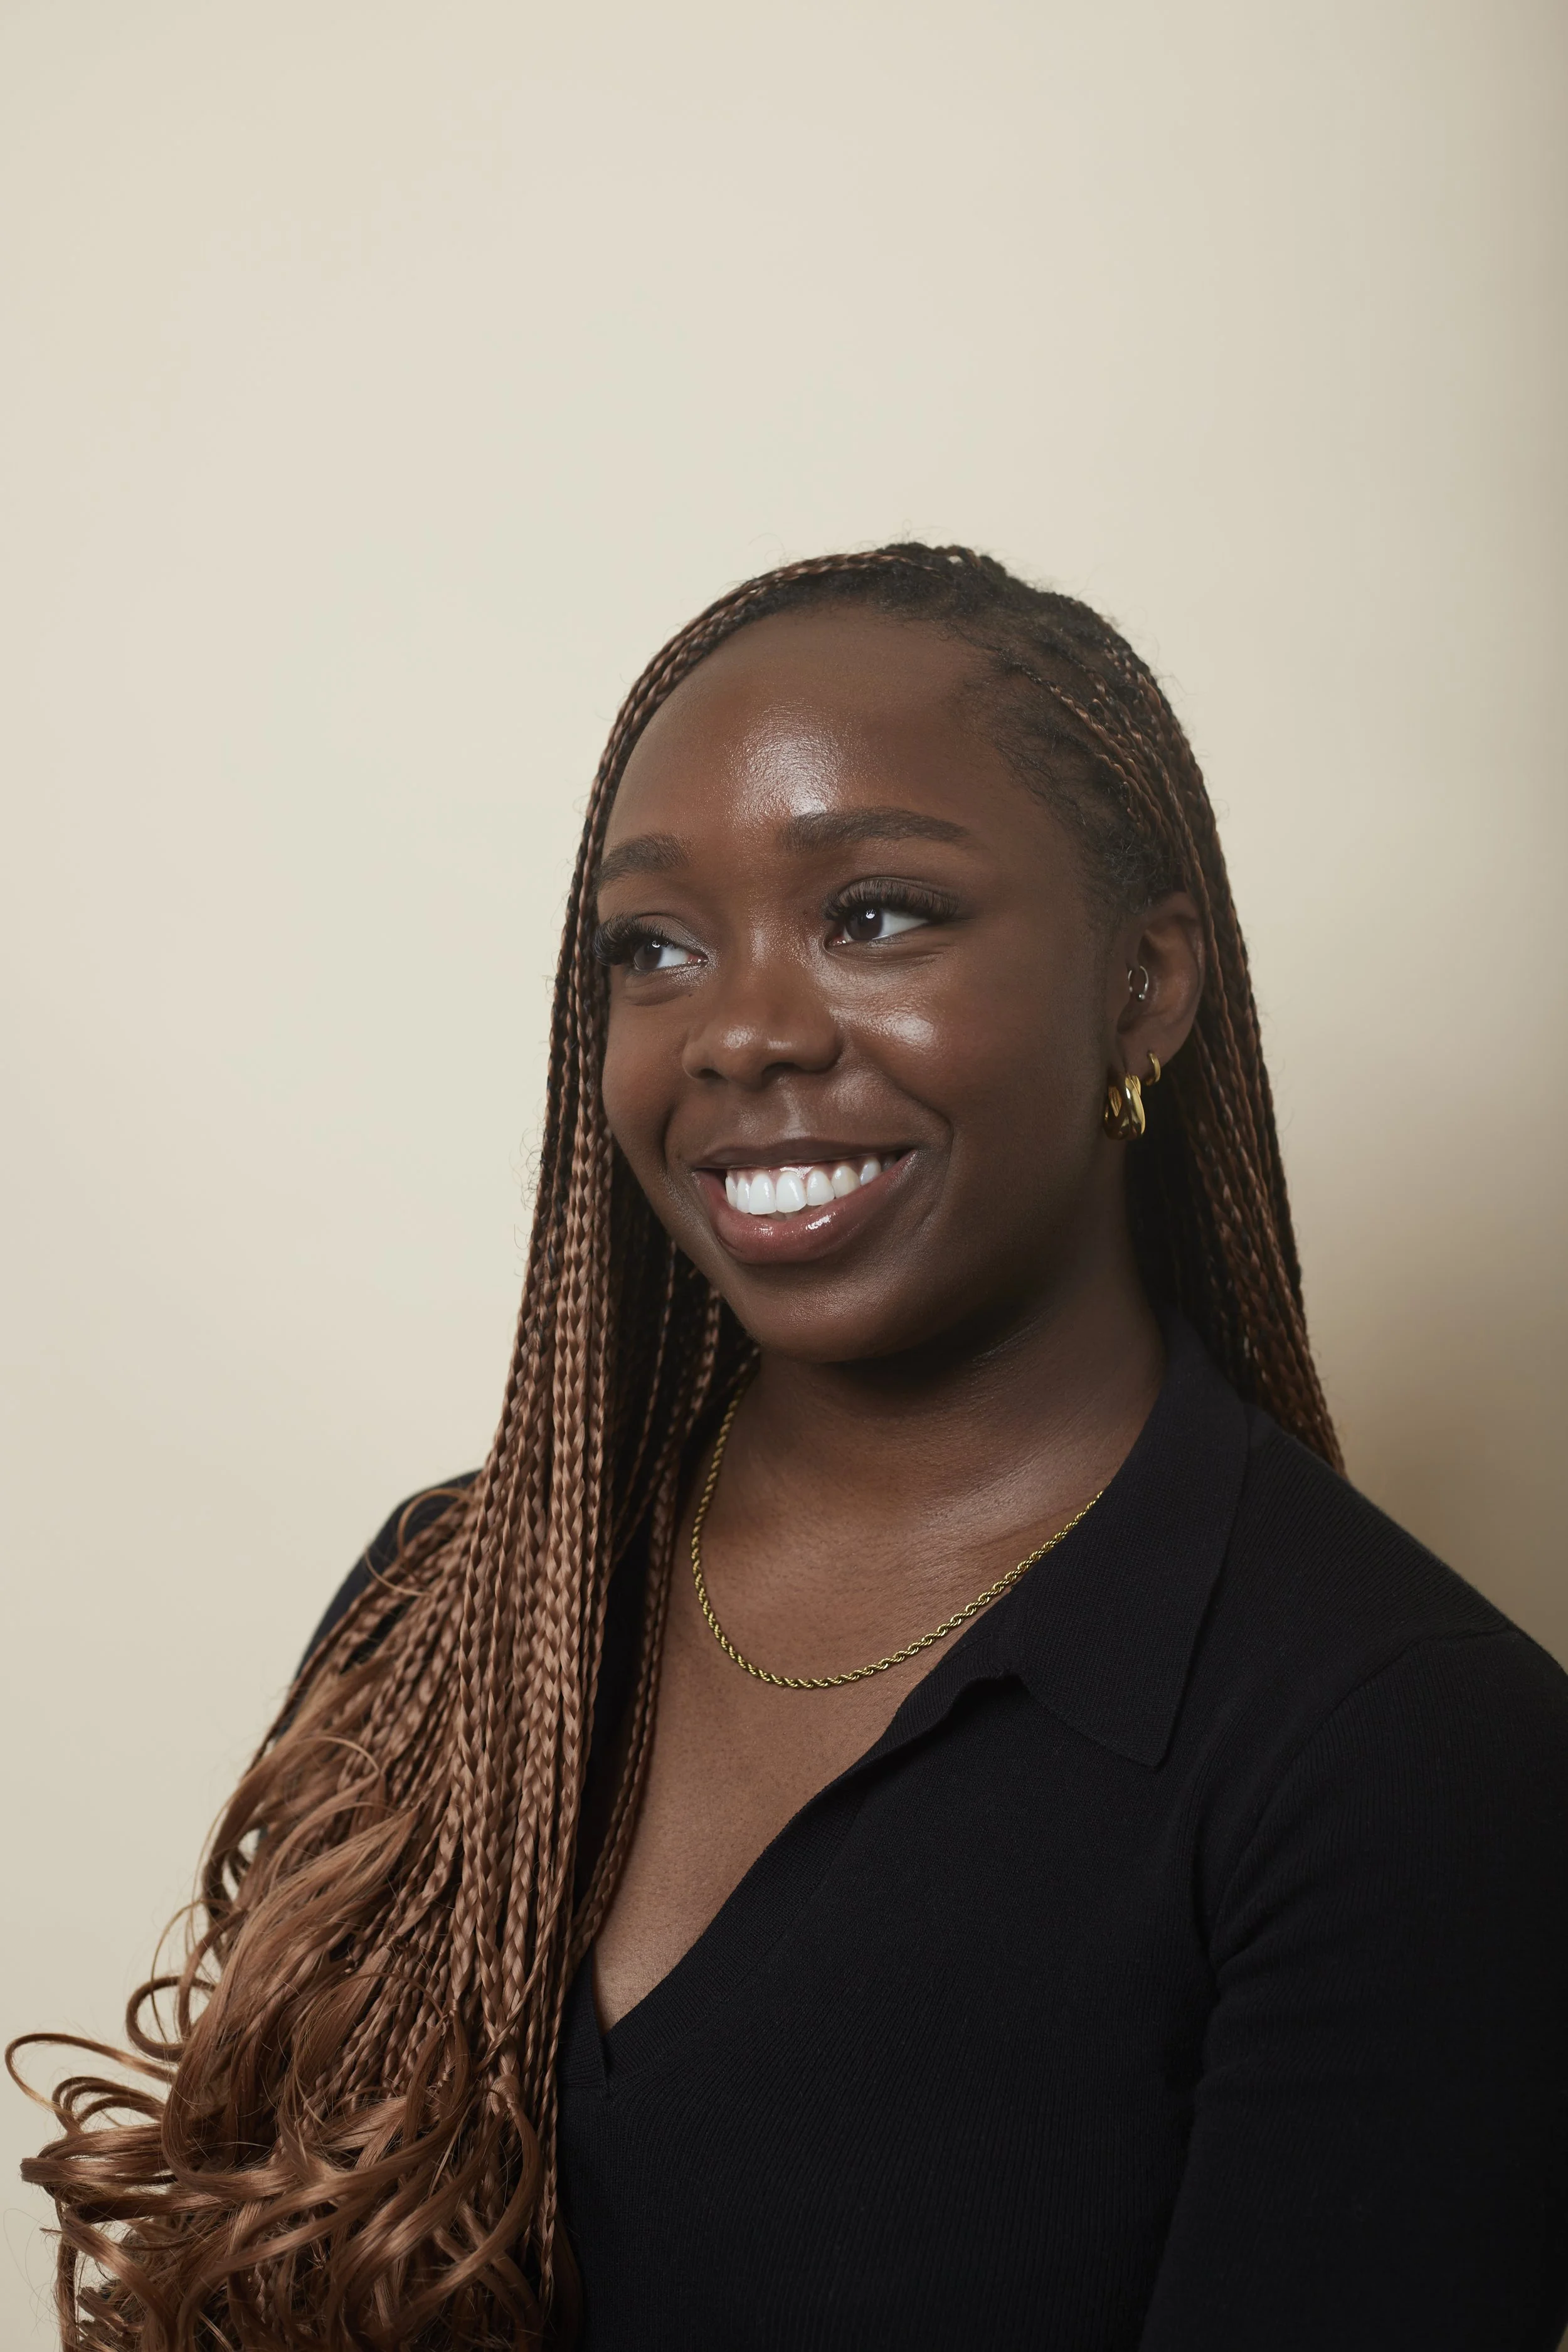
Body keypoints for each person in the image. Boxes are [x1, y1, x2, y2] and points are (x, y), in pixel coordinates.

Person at [16, 544, 1568, 2351]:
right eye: (653, 946)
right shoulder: (453, 1594)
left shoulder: (1403, 1755)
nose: (741, 1028)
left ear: (1144, 983)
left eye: (876, 914)